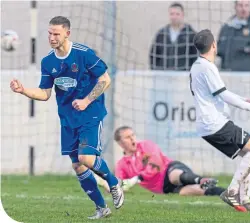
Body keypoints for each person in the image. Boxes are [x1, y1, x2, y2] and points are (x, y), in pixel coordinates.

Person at [10, 16, 124, 219]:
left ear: (67, 33)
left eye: (56, 33)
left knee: (85, 157)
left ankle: (114, 183)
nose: (52, 37)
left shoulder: (84, 54)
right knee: (77, 165)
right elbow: (45, 94)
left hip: (90, 113)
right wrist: (23, 90)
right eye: (49, 33)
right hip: (68, 119)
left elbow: (105, 79)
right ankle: (101, 208)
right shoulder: (48, 61)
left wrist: (87, 101)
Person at [190, 29, 250, 212]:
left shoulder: (197, 65)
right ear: (214, 45)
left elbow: (220, 92)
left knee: (249, 154)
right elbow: (224, 95)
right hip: (214, 123)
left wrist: (245, 100)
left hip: (208, 125)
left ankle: (245, 200)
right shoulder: (208, 67)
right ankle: (232, 192)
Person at [114, 126, 225, 197]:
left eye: (132, 135)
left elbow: (156, 165)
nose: (132, 138)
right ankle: (226, 193)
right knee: (192, 191)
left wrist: (137, 179)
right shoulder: (121, 164)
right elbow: (118, 183)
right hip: (163, 188)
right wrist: (112, 186)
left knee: (173, 176)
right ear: (120, 143)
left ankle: (201, 179)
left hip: (170, 169)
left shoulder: (146, 145)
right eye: (127, 137)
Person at [217, 0, 250, 74]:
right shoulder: (227, 26)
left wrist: (249, 49)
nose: (243, 9)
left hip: (249, 75)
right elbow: (219, 48)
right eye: (240, 5)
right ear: (235, 7)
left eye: (246, 5)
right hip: (228, 73)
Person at [149, 2, 197, 71]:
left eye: (177, 14)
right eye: (172, 14)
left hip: (183, 77)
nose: (174, 17)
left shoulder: (191, 35)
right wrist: (156, 71)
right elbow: (153, 55)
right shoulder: (161, 34)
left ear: (183, 15)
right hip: (164, 77)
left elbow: (196, 57)